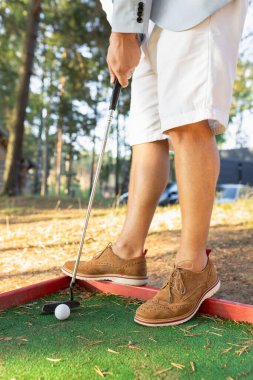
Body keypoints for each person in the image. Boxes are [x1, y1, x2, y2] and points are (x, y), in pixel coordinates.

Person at [63, 0, 248, 326]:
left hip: (192, 8)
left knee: (188, 123)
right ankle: (127, 252)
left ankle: (194, 267)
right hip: (147, 16)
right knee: (146, 134)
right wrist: (128, 29)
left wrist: (122, 31)